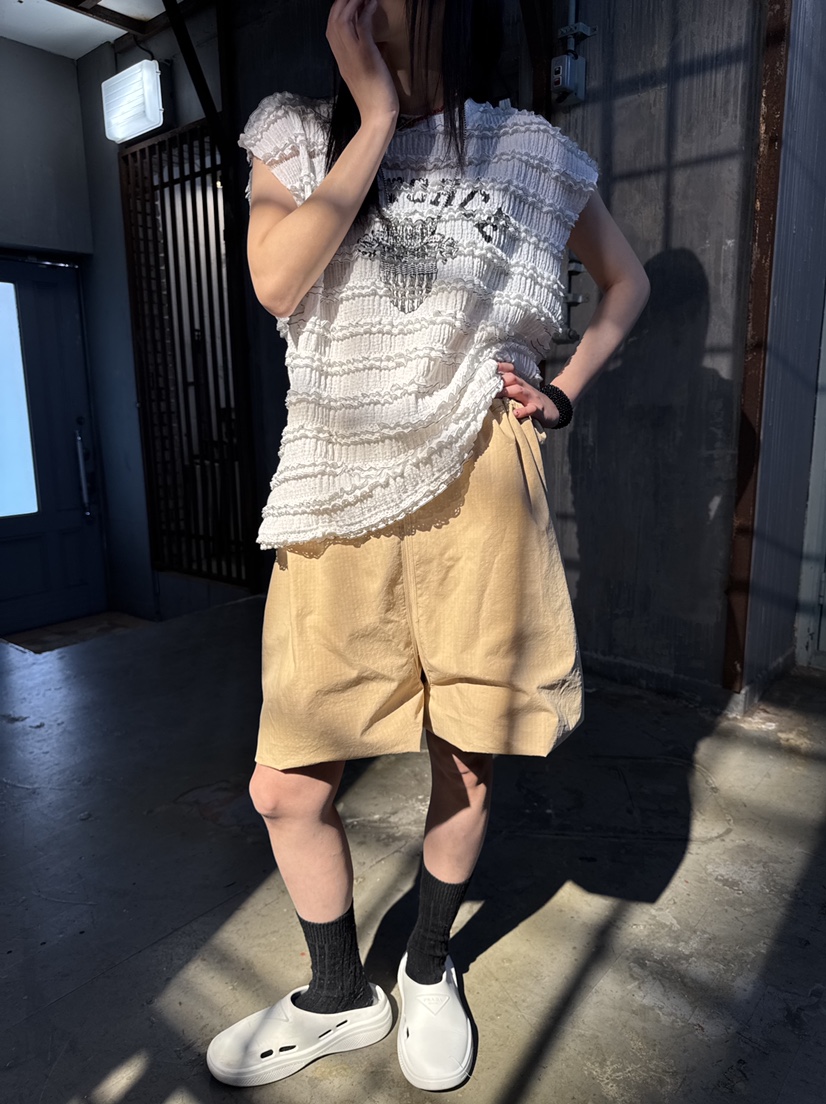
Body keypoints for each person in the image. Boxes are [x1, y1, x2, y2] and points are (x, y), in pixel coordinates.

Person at [207, 0, 650, 1091]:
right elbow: (276, 282)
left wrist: (560, 393)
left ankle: (425, 962)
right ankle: (336, 994)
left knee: (468, 750)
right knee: (285, 786)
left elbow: (626, 281)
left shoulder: (523, 149)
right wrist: (371, 120)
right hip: (332, 490)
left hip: (479, 483)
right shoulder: (295, 132)